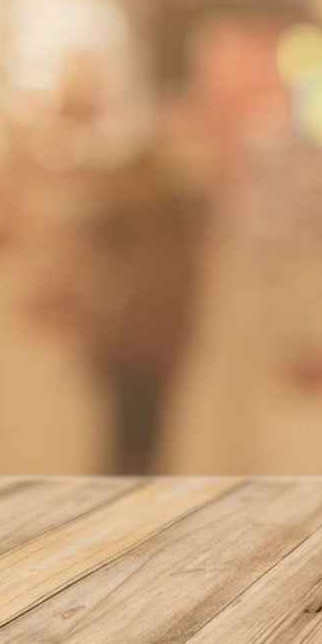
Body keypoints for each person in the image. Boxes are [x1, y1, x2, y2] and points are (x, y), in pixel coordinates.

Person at [80, 147, 205, 475]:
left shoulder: (178, 233)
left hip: (154, 352)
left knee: (147, 447)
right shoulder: (126, 233)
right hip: (136, 352)